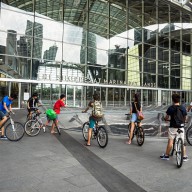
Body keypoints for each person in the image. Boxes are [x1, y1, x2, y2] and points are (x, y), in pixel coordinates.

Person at [160, 93, 188, 161]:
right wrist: (183, 122)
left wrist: (166, 119)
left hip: (173, 127)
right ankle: (184, 157)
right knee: (182, 142)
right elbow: (185, 118)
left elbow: (167, 117)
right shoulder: (183, 108)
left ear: (172, 100)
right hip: (181, 127)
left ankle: (166, 156)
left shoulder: (170, 108)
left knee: (170, 141)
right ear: (179, 100)